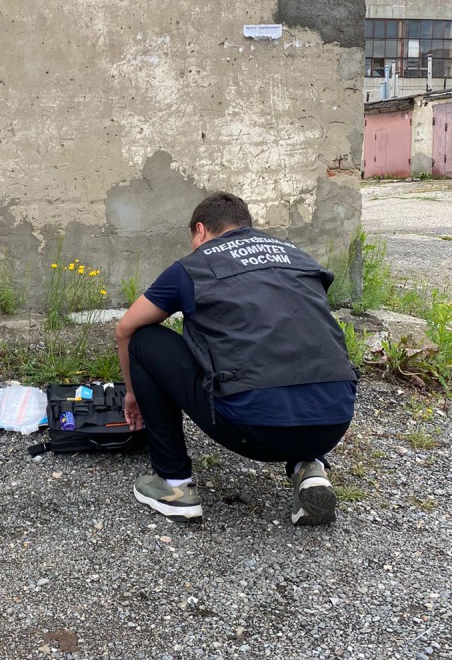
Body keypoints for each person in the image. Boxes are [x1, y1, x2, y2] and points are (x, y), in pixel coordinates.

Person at [116, 192, 357, 527]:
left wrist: (132, 393)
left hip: (253, 428)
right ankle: (309, 468)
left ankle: (174, 485)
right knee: (291, 344)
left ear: (201, 230)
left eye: (193, 239)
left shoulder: (194, 266)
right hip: (334, 422)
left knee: (144, 338)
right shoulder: (298, 257)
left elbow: (125, 329)